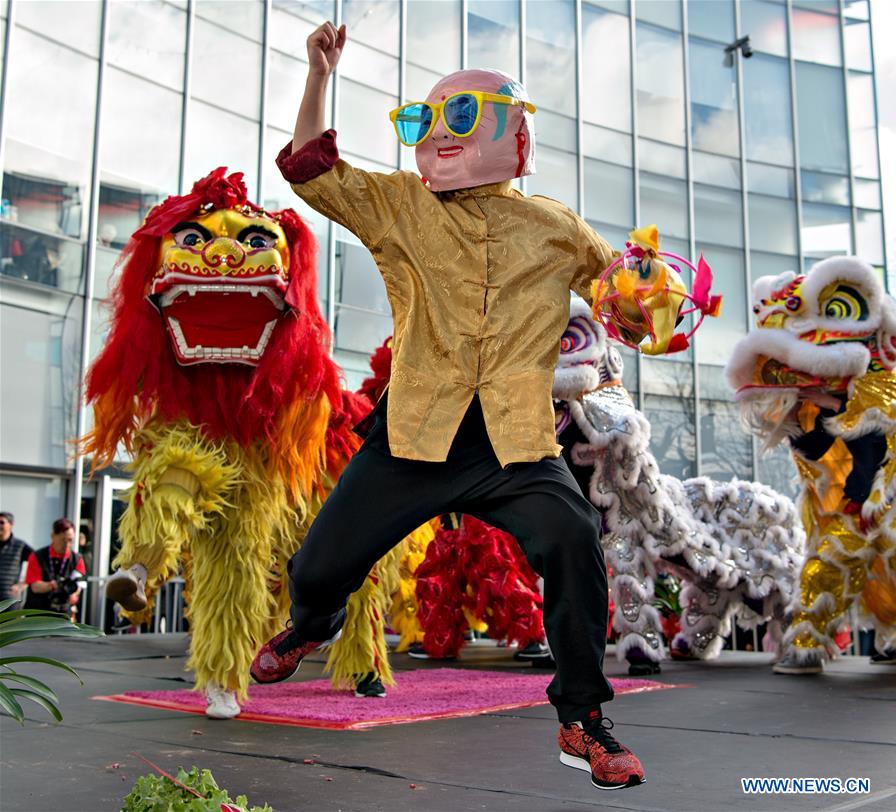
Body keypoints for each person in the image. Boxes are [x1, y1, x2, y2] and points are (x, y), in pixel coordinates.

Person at [251, 22, 645, 791]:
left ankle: (581, 718)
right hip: (413, 436)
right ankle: (313, 621)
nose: (436, 136)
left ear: (516, 139)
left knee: (572, 540)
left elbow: (621, 301)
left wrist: (653, 309)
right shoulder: (400, 205)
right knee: (319, 567)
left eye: (459, 119)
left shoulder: (555, 227)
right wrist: (317, 74)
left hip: (514, 445)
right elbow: (307, 166)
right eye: (422, 122)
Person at [23, 518, 85, 618]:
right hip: (37, 613)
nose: (67, 544)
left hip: (63, 611)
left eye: (70, 540)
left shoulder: (77, 559)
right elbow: (35, 587)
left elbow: (78, 584)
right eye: (62, 540)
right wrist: (54, 585)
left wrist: (73, 592)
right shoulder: (37, 556)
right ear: (53, 536)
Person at [0, 511, 33, 607]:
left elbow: (37, 562)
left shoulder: (20, 546)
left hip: (8, 601)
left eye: (2, 522)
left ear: (11, 525)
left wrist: (24, 583)